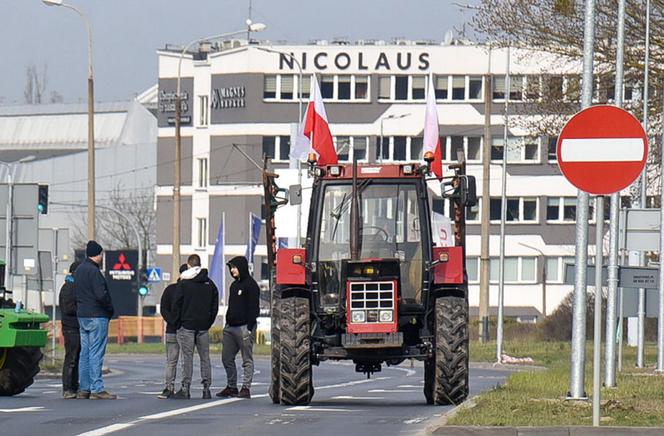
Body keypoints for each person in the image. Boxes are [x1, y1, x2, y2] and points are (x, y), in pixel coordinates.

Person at [171, 254, 219, 400]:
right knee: (205, 358)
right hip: (203, 327)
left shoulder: (184, 283)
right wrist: (208, 322)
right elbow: (214, 306)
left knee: (187, 358)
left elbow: (176, 304)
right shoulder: (210, 284)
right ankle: (206, 389)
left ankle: (186, 388)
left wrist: (177, 322)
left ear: (188, 265)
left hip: (187, 326)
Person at [74, 240, 116, 400]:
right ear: (97, 255)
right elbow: (101, 295)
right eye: (101, 254)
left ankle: (84, 388)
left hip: (82, 315)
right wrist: (110, 308)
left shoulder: (78, 271)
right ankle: (97, 388)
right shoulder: (94, 272)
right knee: (96, 352)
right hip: (97, 315)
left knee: (84, 353)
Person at [217, 256, 260, 399]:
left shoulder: (251, 285)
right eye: (231, 268)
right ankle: (231, 386)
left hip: (244, 327)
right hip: (230, 327)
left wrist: (249, 326)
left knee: (246, 359)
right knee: (226, 358)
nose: (232, 270)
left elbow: (254, 308)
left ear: (241, 267)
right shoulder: (234, 285)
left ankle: (246, 387)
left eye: (234, 267)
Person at [157, 263, 189, 399]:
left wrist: (171, 321)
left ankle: (168, 388)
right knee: (185, 360)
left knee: (171, 361)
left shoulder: (170, 290)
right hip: (186, 329)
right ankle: (184, 388)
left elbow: (163, 308)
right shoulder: (190, 290)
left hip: (171, 329)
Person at [60, 261, 81, 399]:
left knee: (76, 357)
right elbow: (68, 308)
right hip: (71, 327)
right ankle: (68, 388)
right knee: (71, 358)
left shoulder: (73, 286)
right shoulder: (69, 288)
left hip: (75, 326)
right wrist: (82, 308)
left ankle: (74, 386)